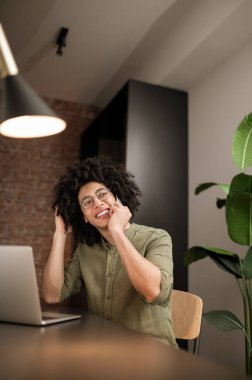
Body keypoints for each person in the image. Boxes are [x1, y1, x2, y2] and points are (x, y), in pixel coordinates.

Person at [42, 155, 178, 348]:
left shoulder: (157, 237)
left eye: (102, 194)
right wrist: (60, 233)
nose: (97, 203)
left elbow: (153, 292)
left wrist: (117, 231)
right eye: (87, 202)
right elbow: (52, 295)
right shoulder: (86, 250)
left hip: (153, 352)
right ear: (85, 217)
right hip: (104, 351)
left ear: (117, 197)